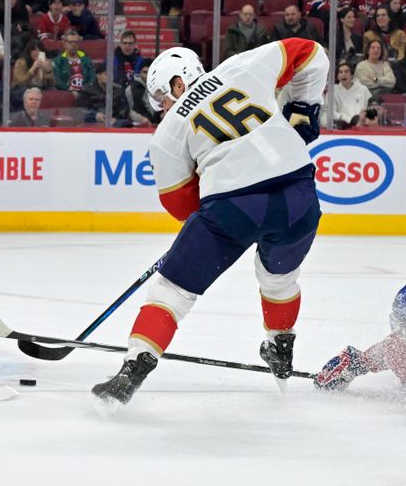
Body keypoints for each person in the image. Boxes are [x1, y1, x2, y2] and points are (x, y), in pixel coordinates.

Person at [92, 39, 329, 406]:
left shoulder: (168, 131)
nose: (162, 108)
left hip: (233, 209)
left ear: (177, 82)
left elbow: (180, 204)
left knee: (172, 291)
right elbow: (311, 53)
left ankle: (133, 369)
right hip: (300, 197)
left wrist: (204, 230)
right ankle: (280, 344)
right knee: (279, 279)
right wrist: (303, 106)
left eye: (161, 96)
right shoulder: (242, 66)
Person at [315, 286, 406, 390]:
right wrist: (353, 364)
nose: (401, 334)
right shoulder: (396, 347)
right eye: (402, 325)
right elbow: (381, 353)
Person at [333, 61, 373, 128]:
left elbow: (370, 108)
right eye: (340, 72)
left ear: (352, 75)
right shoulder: (333, 91)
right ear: (337, 77)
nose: (343, 74)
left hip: (362, 126)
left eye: (346, 71)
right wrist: (349, 120)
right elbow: (331, 113)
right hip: (342, 127)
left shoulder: (363, 89)